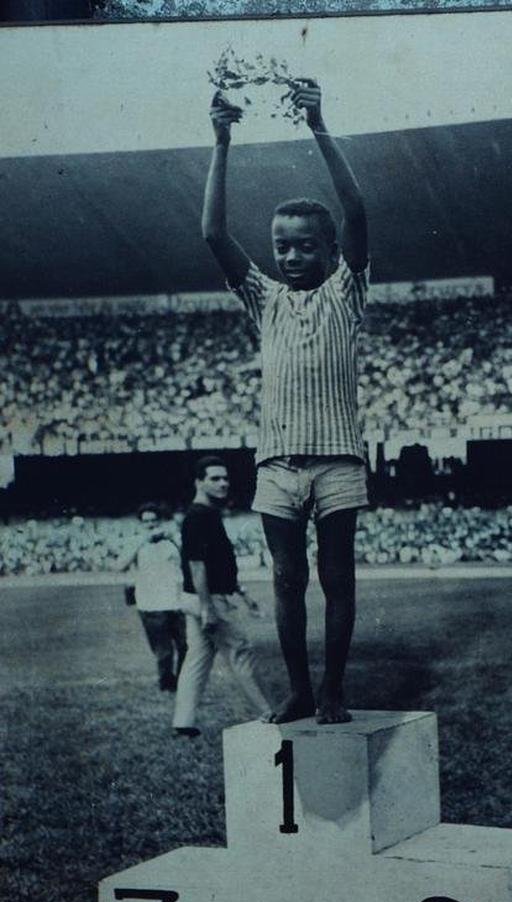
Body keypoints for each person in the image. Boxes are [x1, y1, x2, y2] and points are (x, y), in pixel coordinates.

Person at [202, 77, 369, 725]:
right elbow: (213, 231)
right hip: (276, 463)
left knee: (338, 577)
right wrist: (221, 139)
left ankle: (333, 687)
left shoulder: (345, 293)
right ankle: (300, 687)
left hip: (337, 460)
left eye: (305, 246)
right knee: (285, 577)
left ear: (331, 253)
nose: (291, 255)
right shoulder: (264, 298)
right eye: (281, 246)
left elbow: (356, 212)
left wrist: (318, 123)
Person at [172, 456, 269, 737]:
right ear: (199, 482)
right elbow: (197, 565)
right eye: (215, 478)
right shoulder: (199, 515)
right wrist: (208, 609)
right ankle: (268, 713)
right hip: (208, 600)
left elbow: (217, 564)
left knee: (198, 658)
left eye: (225, 478)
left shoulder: (205, 513)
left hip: (200, 597)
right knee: (240, 651)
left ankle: (183, 721)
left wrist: (243, 594)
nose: (223, 483)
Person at [113, 502, 186, 692]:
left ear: (160, 521)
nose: (151, 525)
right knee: (163, 651)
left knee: (185, 645)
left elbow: (187, 561)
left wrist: (174, 539)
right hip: (150, 604)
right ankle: (167, 684)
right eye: (146, 521)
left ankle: (184, 683)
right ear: (140, 524)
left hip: (177, 601)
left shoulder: (172, 540)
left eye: (154, 520)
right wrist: (142, 541)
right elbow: (119, 565)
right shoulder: (135, 542)